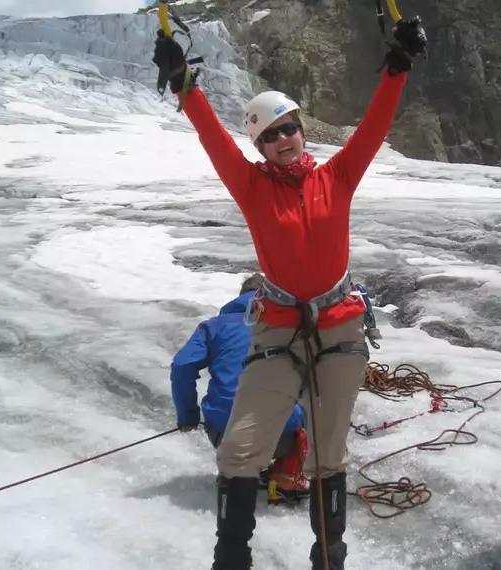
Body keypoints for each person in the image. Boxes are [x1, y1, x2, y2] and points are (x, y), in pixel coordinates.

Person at [152, 17, 427, 570]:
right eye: (268, 135)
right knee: (238, 449)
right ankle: (231, 561)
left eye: (288, 129)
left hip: (338, 328)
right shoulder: (251, 186)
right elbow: (210, 137)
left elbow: (374, 126)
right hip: (277, 329)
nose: (281, 140)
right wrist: (184, 81)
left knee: (328, 454)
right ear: (258, 145)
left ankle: (329, 561)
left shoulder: (338, 177)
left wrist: (398, 67)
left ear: (301, 130)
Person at [170, 272, 309, 503]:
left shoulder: (214, 326)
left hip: (225, 432)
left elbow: (182, 365)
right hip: (281, 434)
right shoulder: (291, 325)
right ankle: (285, 477)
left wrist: (189, 417)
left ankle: (235, 472)